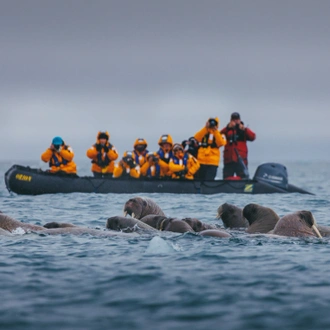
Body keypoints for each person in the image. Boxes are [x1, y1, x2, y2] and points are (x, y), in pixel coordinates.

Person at [220, 112, 256, 179]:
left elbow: (253, 137)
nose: (235, 121)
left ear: (240, 120)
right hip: (229, 160)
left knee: (244, 179)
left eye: (237, 119)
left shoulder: (243, 130)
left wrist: (245, 129)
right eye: (233, 120)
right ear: (230, 120)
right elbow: (219, 136)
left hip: (241, 160)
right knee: (226, 179)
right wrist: (227, 127)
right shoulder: (227, 130)